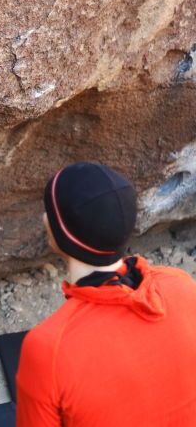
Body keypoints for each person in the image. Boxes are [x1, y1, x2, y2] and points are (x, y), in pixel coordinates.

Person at [16, 161, 196, 426]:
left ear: (58, 231)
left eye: (48, 212)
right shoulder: (180, 284)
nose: (45, 217)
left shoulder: (48, 349)